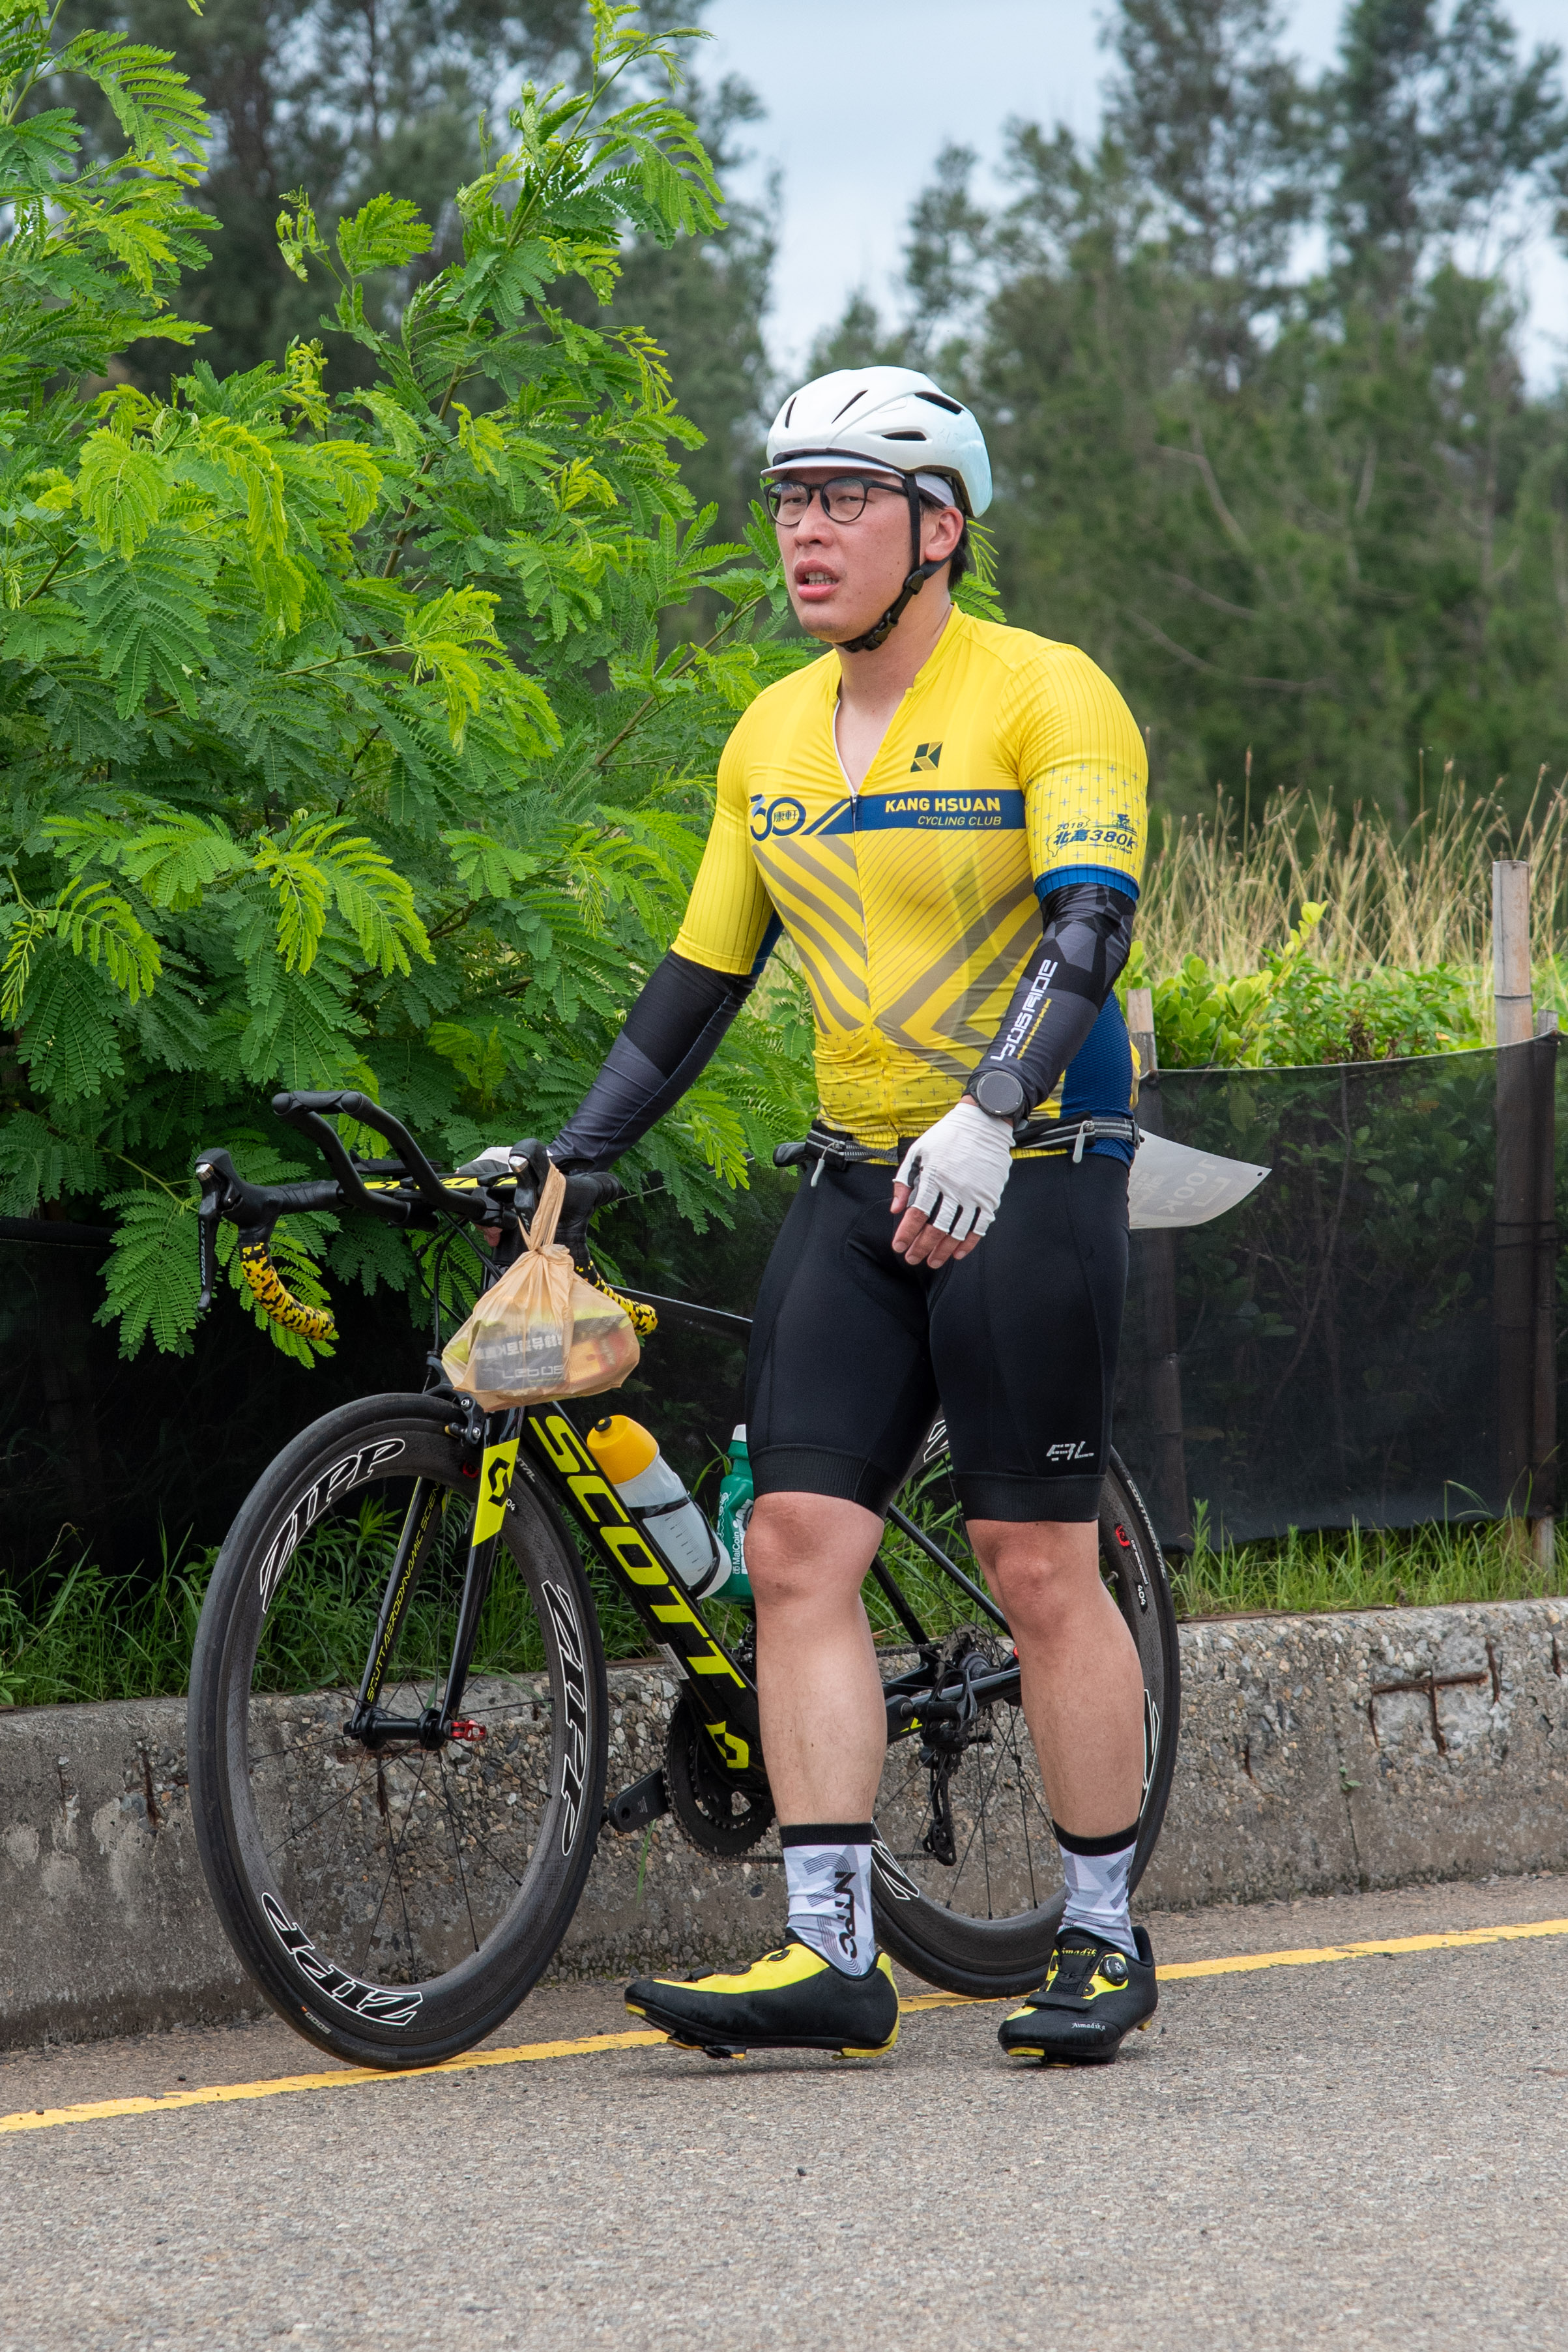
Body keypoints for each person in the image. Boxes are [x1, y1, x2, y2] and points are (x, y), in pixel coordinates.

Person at [521, 365, 1157, 2065]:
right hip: (857, 1172)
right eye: (791, 498)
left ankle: (1102, 1935)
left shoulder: (1047, 692)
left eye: (845, 499)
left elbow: (1088, 930)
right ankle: (831, 1952)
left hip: (1035, 1160)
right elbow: (698, 982)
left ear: (938, 529)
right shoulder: (771, 734)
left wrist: (994, 1106)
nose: (805, 530)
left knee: (1035, 1561)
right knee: (796, 1549)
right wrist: (571, 1156)